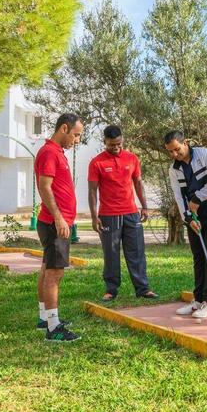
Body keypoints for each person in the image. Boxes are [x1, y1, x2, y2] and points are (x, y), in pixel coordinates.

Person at [88, 125, 158, 303]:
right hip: (108, 215)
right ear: (105, 142)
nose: (116, 147)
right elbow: (92, 191)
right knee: (111, 253)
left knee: (136, 251)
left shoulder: (132, 158)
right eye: (112, 145)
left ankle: (143, 288)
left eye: (119, 144)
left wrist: (144, 206)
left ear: (122, 140)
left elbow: (138, 183)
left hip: (131, 213)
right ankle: (111, 289)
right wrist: (94, 216)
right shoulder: (96, 162)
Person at [164, 131, 207, 320]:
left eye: (177, 149)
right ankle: (199, 299)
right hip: (195, 218)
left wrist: (197, 199)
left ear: (186, 143)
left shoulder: (205, 155)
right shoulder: (174, 169)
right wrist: (188, 218)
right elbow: (178, 196)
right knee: (199, 258)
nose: (175, 154)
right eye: (170, 152)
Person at [35, 113, 84, 342]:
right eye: (76, 135)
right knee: (55, 273)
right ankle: (53, 328)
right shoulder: (48, 152)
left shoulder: (56, 153)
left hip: (56, 221)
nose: (77, 140)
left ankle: (45, 318)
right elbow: (44, 187)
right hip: (55, 223)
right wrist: (59, 218)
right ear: (64, 128)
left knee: (47, 269)